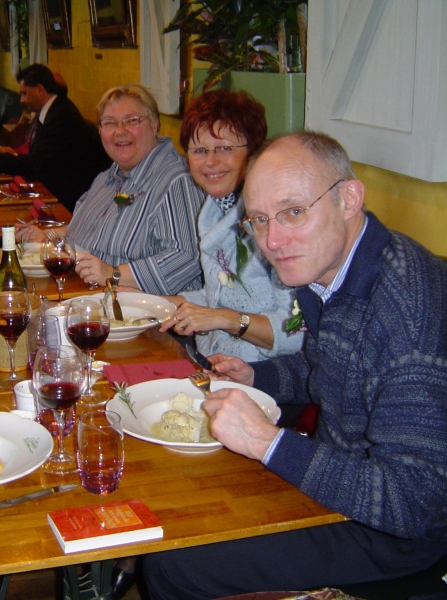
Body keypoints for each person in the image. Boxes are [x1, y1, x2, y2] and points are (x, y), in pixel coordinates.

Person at [143, 132, 447, 598]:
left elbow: (414, 502)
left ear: (349, 199)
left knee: (174, 563)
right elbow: (330, 369)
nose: (273, 241)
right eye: (259, 220)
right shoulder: (331, 268)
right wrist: (258, 376)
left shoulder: (407, 316)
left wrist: (268, 442)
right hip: (341, 480)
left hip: (398, 537)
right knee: (176, 496)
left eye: (293, 212)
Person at [19, 84, 205, 295]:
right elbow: (87, 231)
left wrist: (114, 274)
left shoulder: (178, 180)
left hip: (144, 307)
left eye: (131, 121)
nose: (120, 131)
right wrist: (48, 236)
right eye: (109, 123)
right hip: (85, 290)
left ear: (154, 124)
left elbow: (186, 257)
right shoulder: (108, 177)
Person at [160, 90, 303, 362]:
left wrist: (226, 319)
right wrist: (153, 303)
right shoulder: (214, 209)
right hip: (212, 360)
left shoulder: (276, 223)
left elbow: (296, 330)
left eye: (225, 148)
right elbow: (218, 298)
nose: (211, 161)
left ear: (253, 152)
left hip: (264, 373)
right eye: (200, 151)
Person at [0, 63, 110, 212]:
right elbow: (40, 158)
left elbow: (35, 165)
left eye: (24, 93)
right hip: (53, 186)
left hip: (66, 199)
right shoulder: (55, 109)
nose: (21, 100)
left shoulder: (60, 116)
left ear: (40, 90)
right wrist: (12, 154)